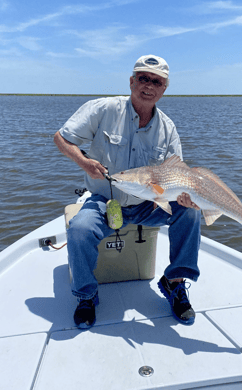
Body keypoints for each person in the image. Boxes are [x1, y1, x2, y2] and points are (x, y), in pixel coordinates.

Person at [54, 55, 201, 329]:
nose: (149, 86)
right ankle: (86, 295)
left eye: (156, 81)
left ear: (164, 88)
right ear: (132, 81)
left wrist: (182, 195)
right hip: (105, 200)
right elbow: (61, 138)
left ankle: (175, 283)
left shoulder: (167, 129)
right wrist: (84, 162)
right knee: (79, 229)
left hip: (149, 203)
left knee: (191, 214)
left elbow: (177, 174)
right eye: (143, 78)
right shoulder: (104, 109)